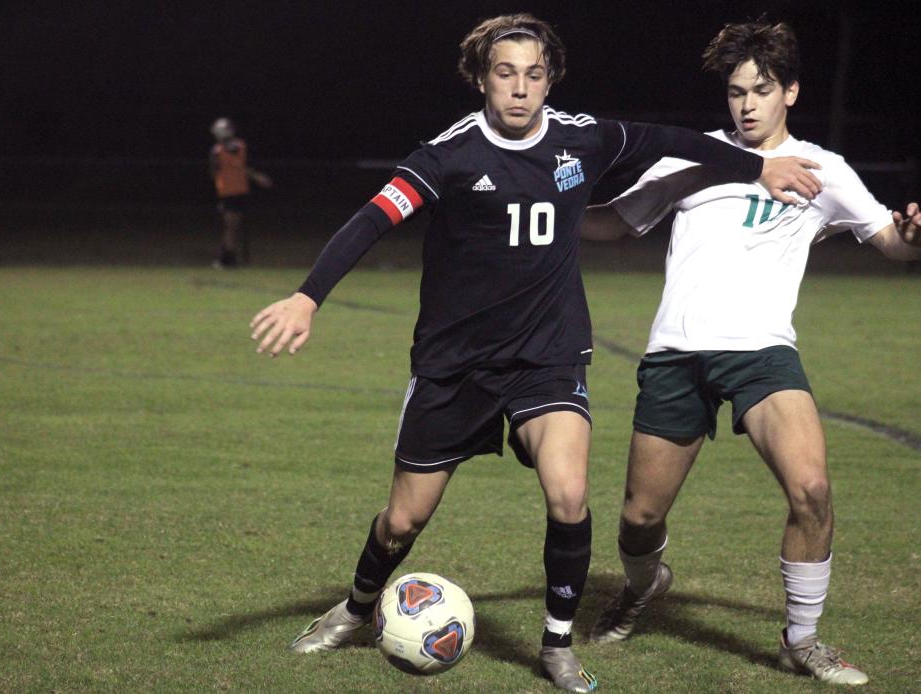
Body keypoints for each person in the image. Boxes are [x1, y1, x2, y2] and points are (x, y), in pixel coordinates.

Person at [249, 14, 820, 692]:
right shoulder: (448, 155)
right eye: (505, 73)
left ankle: (555, 646)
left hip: (547, 357)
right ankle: (357, 606)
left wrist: (761, 164)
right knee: (402, 521)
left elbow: (670, 139)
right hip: (455, 365)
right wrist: (309, 296)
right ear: (482, 78)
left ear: (550, 80)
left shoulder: (584, 138)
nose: (519, 89)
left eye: (534, 74)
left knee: (569, 493)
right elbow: (374, 216)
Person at [580, 20, 921, 687]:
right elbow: (611, 221)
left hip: (763, 356)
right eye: (736, 90)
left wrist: (916, 239)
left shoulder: (823, 170)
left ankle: (801, 640)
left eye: (762, 89)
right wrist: (539, 201)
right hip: (677, 354)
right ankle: (641, 585)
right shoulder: (691, 157)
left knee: (811, 488)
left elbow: (890, 240)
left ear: (791, 93)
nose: (746, 104)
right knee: (639, 517)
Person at [209, 117, 272, 268]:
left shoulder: (239, 146)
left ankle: (225, 257)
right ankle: (228, 258)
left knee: (233, 226)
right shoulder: (217, 151)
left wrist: (256, 177)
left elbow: (243, 167)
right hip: (227, 192)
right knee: (231, 226)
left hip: (240, 190)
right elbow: (214, 172)